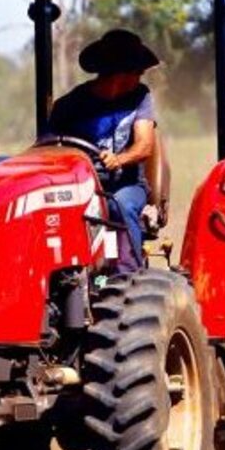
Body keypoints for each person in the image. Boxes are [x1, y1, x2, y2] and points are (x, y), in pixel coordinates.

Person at [45, 29, 159, 271]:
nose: (140, 77)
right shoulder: (69, 105)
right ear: (120, 74)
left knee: (119, 206)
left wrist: (119, 159)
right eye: (137, 72)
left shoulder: (140, 97)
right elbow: (47, 148)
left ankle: (129, 276)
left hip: (124, 184)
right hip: (78, 187)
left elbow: (145, 145)